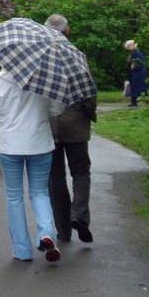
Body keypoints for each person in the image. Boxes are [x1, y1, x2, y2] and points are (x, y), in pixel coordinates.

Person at [0, 68, 66, 262]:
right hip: (40, 144)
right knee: (40, 192)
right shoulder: (47, 77)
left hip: (10, 146)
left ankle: (22, 250)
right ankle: (46, 233)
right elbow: (58, 109)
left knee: (14, 196)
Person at [44, 14, 97, 244]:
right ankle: (80, 215)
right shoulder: (77, 57)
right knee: (81, 171)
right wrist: (89, 113)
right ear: (67, 31)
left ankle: (63, 230)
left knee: (55, 178)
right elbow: (89, 92)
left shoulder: (41, 58)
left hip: (49, 127)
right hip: (75, 123)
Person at [125, 39, 148, 107]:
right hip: (133, 73)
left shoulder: (137, 53)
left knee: (139, 87)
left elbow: (142, 63)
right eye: (129, 46)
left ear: (134, 46)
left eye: (131, 45)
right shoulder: (131, 53)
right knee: (134, 87)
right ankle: (134, 102)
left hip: (138, 74)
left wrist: (134, 66)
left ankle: (143, 101)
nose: (130, 47)